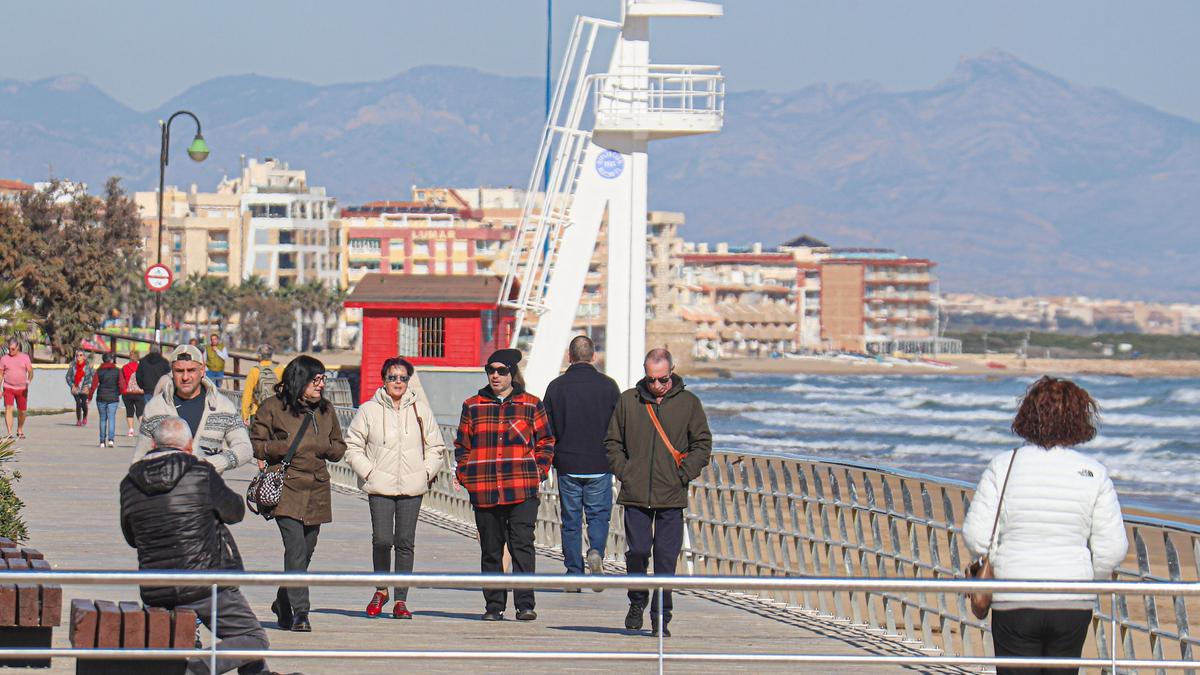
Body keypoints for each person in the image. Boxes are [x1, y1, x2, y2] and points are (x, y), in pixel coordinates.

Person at [963, 377, 1128, 675]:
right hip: (1072, 596)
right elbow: (1112, 548)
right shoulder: (1094, 472)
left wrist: (998, 559)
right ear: (1080, 420)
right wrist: (1091, 577)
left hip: (1014, 595)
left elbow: (977, 536)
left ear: (1027, 416)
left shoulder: (1005, 465)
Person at [120, 417, 294, 675]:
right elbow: (235, 512)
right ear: (189, 445)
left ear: (154, 444)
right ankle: (196, 669)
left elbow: (131, 537)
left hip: (156, 588)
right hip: (206, 583)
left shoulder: (130, 483)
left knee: (246, 644)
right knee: (253, 638)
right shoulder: (200, 472)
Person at [606, 347, 712, 637]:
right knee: (638, 552)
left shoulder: (689, 403)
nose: (657, 385)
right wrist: (625, 471)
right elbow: (612, 441)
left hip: (671, 495)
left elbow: (702, 444)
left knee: (666, 558)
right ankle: (637, 601)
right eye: (651, 379)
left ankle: (661, 617)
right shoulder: (629, 400)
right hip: (635, 493)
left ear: (672, 371)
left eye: (662, 379)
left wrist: (684, 473)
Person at [454, 349, 554, 622]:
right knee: (491, 549)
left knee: (522, 546)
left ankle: (525, 604)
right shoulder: (472, 405)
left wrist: (538, 472)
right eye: (491, 370)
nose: (495, 375)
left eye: (502, 371)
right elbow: (462, 445)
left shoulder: (532, 404)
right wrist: (466, 474)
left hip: (522, 488)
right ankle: (494, 605)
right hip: (485, 488)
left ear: (512, 373)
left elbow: (546, 442)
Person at [251, 355, 347, 633]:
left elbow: (339, 444)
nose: (320, 385)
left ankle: (283, 600)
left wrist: (331, 450)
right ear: (299, 379)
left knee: (305, 552)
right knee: (294, 550)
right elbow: (257, 443)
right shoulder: (273, 407)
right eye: (315, 379)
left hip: (317, 487)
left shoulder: (326, 410)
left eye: (322, 379)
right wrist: (282, 447)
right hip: (287, 488)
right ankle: (301, 613)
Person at [344, 357, 444, 619]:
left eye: (402, 378)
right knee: (382, 540)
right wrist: (368, 471)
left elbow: (437, 447)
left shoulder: (421, 410)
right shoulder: (368, 410)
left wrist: (424, 472)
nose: (397, 382)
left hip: (412, 486)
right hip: (380, 486)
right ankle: (381, 589)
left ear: (408, 381)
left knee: (404, 542)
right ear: (384, 380)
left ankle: (400, 600)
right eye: (392, 377)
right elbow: (352, 445)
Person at [543, 335, 619, 587]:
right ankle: (596, 551)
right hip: (600, 463)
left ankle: (574, 572)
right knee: (598, 516)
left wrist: (552, 457)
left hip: (568, 464)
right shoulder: (608, 386)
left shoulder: (556, 387)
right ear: (594, 356)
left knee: (571, 520)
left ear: (569, 357)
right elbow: (617, 426)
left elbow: (546, 428)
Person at [133, 345, 253, 474]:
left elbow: (245, 448)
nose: (185, 377)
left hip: (208, 489)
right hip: (163, 491)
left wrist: (212, 464)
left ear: (202, 371)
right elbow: (140, 459)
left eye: (191, 370)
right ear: (171, 372)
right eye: (179, 371)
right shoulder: (155, 408)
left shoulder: (222, 406)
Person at [241, 344, 283, 425]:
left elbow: (247, 393)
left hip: (257, 411)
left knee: (257, 436)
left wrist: (245, 414)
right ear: (271, 355)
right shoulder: (279, 369)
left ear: (259, 356)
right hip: (275, 411)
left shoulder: (254, 370)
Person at [1, 339, 33, 439]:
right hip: (8, 387)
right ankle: (10, 433)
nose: (10, 351)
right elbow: (1, 375)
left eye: (13, 349)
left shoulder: (25, 357)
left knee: (22, 411)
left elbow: (30, 372)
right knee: (8, 408)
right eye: (9, 349)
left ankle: (19, 429)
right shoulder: (4, 358)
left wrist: (29, 380)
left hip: (22, 389)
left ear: (18, 347)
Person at [90, 352, 121, 448]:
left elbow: (94, 385)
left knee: (103, 419)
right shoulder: (117, 371)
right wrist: (118, 393)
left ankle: (102, 441)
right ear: (111, 360)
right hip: (113, 398)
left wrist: (89, 397)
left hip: (101, 397)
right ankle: (111, 440)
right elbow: (121, 385)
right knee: (111, 418)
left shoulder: (99, 371)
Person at [119, 349, 145, 437]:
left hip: (127, 392)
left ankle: (131, 430)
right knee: (140, 411)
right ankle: (143, 429)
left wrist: (122, 390)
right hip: (139, 392)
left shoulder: (125, 367)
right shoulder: (141, 367)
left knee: (129, 411)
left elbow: (121, 381)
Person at [65, 350, 94, 427]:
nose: (79, 357)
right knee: (78, 403)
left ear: (84, 357)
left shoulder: (88, 366)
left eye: (81, 355)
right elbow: (68, 377)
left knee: (84, 403)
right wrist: (72, 385)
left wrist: (89, 386)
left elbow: (94, 377)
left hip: (85, 387)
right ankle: (78, 420)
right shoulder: (73, 366)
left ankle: (84, 417)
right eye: (77, 355)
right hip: (76, 387)